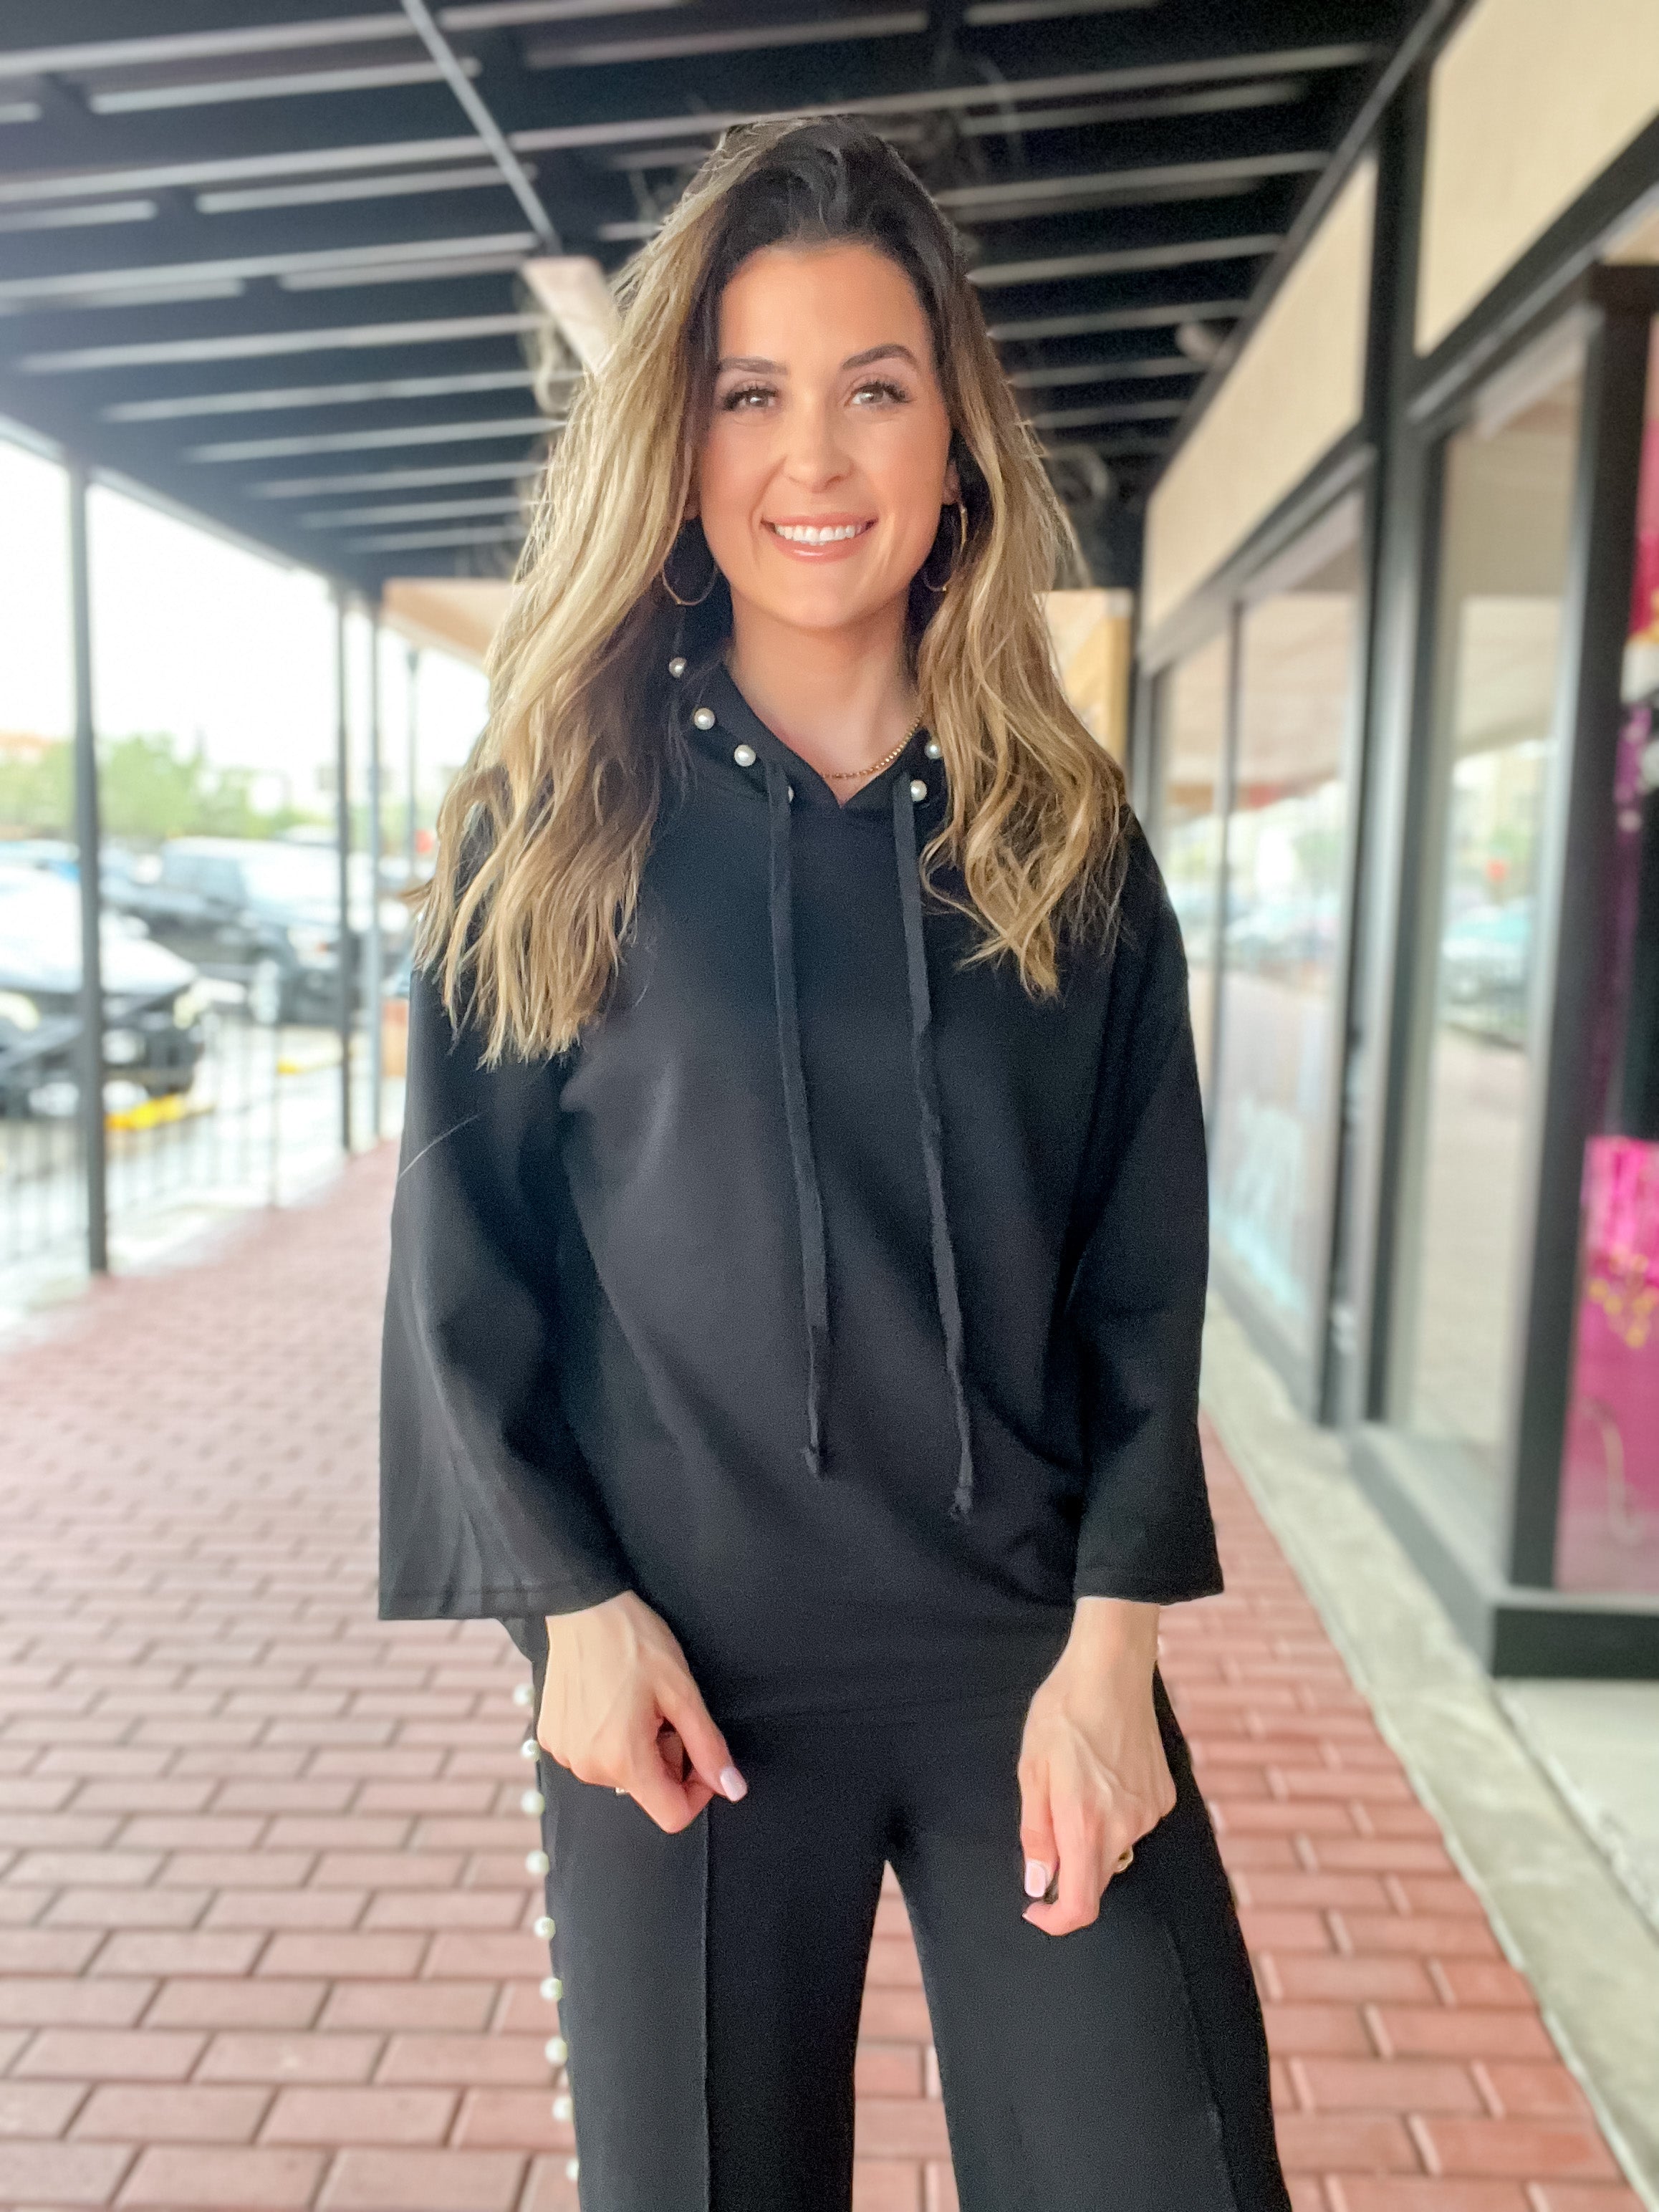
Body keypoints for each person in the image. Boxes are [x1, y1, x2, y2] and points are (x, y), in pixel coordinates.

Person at [380, 116, 1288, 2212]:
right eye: (749, 395)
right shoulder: (554, 819)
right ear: (680, 448)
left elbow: (1142, 1281)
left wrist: (1116, 1653)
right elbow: (459, 1268)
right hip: (682, 1672)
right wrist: (571, 1619)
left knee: (1166, 2164)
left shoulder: (1062, 836)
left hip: (1021, 1650)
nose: (814, 456)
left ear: (953, 438)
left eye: (874, 389)